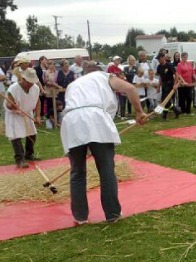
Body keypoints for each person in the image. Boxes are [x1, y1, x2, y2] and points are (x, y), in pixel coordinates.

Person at [60, 61, 148, 224]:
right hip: (96, 119)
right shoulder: (105, 77)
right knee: (106, 169)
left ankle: (80, 217)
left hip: (71, 122)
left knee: (77, 172)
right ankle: (112, 214)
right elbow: (130, 88)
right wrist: (139, 112)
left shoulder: (74, 84)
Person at [4, 68, 42, 168]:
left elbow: (38, 102)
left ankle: (29, 154)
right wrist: (12, 105)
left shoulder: (35, 88)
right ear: (24, 79)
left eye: (32, 82)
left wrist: (37, 116)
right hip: (15, 114)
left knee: (32, 135)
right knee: (16, 136)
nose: (31, 84)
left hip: (27, 113)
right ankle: (19, 160)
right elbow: (8, 104)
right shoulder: (13, 88)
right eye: (29, 82)